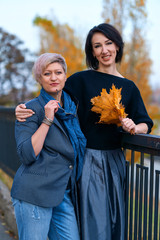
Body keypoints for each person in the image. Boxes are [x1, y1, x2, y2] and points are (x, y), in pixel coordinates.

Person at [15, 23, 153, 240]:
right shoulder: (80, 80)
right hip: (87, 159)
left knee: (114, 220)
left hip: (115, 162)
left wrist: (135, 127)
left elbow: (146, 122)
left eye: (108, 43)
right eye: (97, 46)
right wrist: (23, 108)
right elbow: (51, 92)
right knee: (91, 221)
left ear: (117, 46)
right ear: (92, 52)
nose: (104, 50)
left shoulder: (130, 87)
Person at [11, 53, 86, 240]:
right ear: (39, 78)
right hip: (34, 194)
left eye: (58, 72)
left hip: (62, 193)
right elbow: (27, 154)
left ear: (65, 76)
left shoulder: (72, 109)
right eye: (47, 73)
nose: (53, 78)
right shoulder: (29, 109)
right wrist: (47, 120)